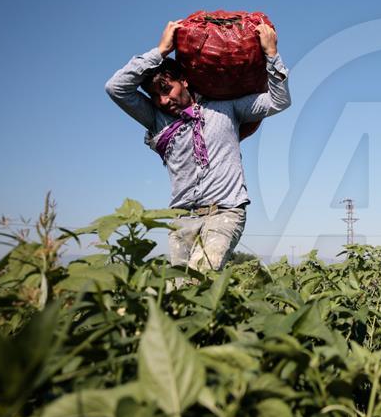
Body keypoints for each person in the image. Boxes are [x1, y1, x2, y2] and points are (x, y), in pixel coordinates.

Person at [105, 20, 290, 273]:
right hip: (181, 219)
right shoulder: (157, 120)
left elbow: (279, 101)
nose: (163, 100)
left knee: (199, 278)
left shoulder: (225, 108)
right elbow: (116, 88)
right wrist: (159, 51)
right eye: (155, 96)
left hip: (225, 213)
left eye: (166, 89)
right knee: (178, 294)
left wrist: (271, 54)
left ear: (185, 81)